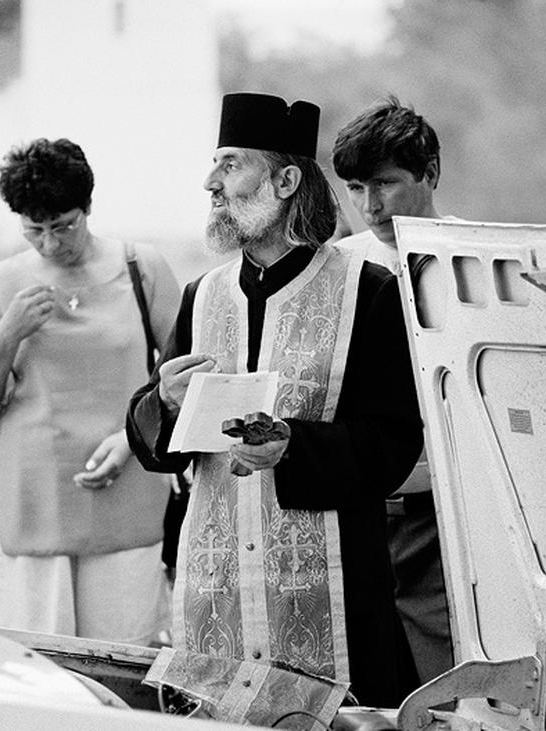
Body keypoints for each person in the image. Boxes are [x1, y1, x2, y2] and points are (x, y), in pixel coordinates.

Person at [126, 92, 424, 717]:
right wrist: (165, 402)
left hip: (335, 591)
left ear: (286, 182)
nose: (211, 183)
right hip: (218, 593)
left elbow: (395, 441)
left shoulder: (368, 291)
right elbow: (153, 442)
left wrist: (293, 447)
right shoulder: (201, 296)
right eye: (215, 164)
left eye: (231, 164)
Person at [0, 138, 181, 644]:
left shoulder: (142, 269)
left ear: (88, 207)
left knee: (124, 656)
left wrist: (131, 438)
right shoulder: (4, 281)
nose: (51, 244)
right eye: (34, 230)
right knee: (39, 662)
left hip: (128, 492)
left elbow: (183, 379)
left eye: (63, 226)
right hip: (36, 502)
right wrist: (8, 332)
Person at [332, 96, 455, 683]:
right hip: (356, 514)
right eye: (356, 188)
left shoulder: (477, 262)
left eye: (384, 183)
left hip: (448, 516)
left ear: (429, 172)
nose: (369, 206)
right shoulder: (335, 268)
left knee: (450, 687)